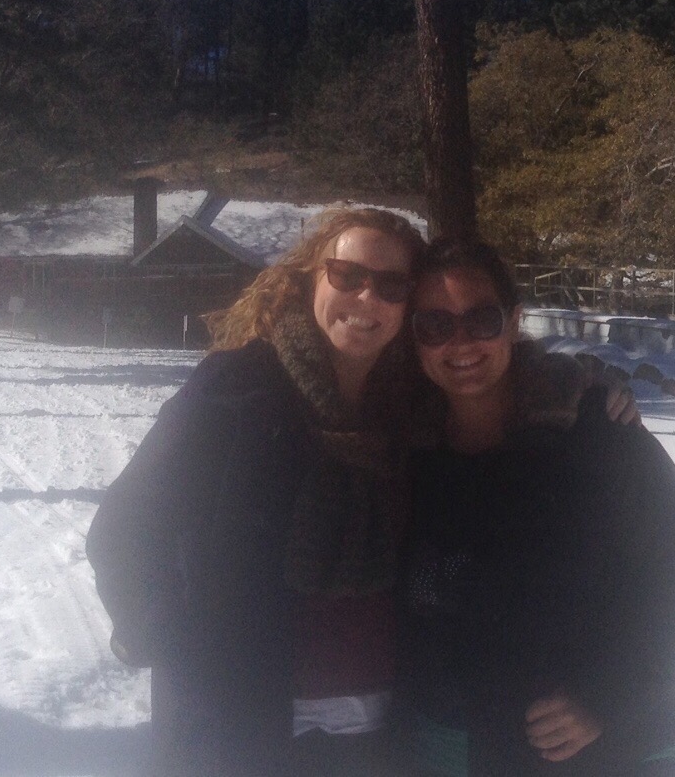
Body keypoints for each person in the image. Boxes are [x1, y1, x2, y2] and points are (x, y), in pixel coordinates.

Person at [86, 207, 426, 777]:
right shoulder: (238, 387)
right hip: (241, 721)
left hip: (375, 726)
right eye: (348, 275)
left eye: (392, 285)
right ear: (312, 277)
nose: (367, 298)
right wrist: (171, 643)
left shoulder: (410, 407)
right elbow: (126, 525)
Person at [397, 239, 675, 777]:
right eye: (435, 324)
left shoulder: (592, 429)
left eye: (482, 319)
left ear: (514, 320)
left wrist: (607, 697)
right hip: (457, 744)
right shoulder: (405, 449)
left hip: (609, 753)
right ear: (413, 337)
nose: (461, 342)